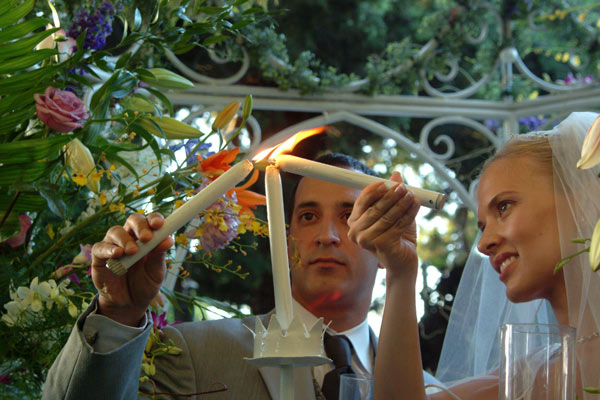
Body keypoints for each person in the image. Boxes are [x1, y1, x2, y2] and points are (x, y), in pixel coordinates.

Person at [41, 153, 436, 400]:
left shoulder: (426, 388)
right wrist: (117, 313)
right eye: (308, 216)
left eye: (350, 216)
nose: (327, 236)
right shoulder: (196, 351)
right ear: (286, 242)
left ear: (385, 242)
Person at [364, 112, 600, 399]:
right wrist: (400, 274)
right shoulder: (527, 376)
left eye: (503, 206)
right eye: (482, 226)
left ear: (585, 201)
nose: (483, 243)